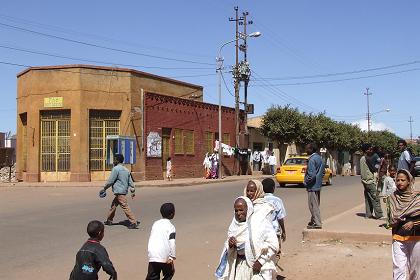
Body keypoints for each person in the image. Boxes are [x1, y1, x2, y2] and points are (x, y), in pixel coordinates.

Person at [215, 196, 279, 280]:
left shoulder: (260, 222)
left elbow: (273, 244)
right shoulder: (233, 226)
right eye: (236, 210)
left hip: (259, 267)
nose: (238, 213)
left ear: (248, 209)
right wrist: (230, 245)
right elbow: (229, 249)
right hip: (240, 267)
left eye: (241, 210)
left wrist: (261, 261)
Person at [389, 169, 420, 280]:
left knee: (415, 269)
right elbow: (389, 220)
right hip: (398, 237)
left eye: (403, 180)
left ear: (409, 181)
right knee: (398, 268)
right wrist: (393, 222)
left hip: (416, 238)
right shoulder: (392, 198)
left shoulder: (417, 198)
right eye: (397, 180)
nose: (400, 182)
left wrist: (414, 223)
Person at [102, 154, 139, 229]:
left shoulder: (116, 169)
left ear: (117, 160)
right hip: (122, 192)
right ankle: (109, 220)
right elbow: (131, 183)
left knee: (125, 207)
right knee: (113, 206)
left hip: (119, 192)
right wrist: (133, 192)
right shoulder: (126, 170)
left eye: (115, 159)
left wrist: (104, 188)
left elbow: (110, 181)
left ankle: (133, 222)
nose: (114, 161)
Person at [146, 203, 176, 280]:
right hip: (164, 255)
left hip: (153, 254)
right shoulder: (171, 227)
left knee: (152, 276)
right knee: (169, 273)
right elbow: (172, 242)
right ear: (172, 214)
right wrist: (172, 257)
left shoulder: (155, 223)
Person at [262, 178, 286, 255]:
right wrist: (283, 231)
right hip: (274, 232)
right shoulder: (277, 200)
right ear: (273, 188)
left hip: (262, 232)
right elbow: (280, 217)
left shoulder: (260, 200)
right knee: (276, 252)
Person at [304, 143, 324, 229]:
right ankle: (313, 220)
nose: (306, 150)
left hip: (312, 186)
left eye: (307, 149)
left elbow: (311, 174)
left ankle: (317, 223)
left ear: (311, 149)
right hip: (318, 184)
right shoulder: (319, 158)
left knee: (312, 205)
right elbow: (322, 172)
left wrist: (305, 181)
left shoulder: (312, 160)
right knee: (316, 203)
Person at [360, 143, 383, 219]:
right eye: (370, 149)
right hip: (369, 181)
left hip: (365, 181)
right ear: (366, 150)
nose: (371, 150)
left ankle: (368, 214)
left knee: (368, 198)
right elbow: (373, 169)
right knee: (375, 198)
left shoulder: (363, 158)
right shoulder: (366, 158)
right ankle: (379, 215)